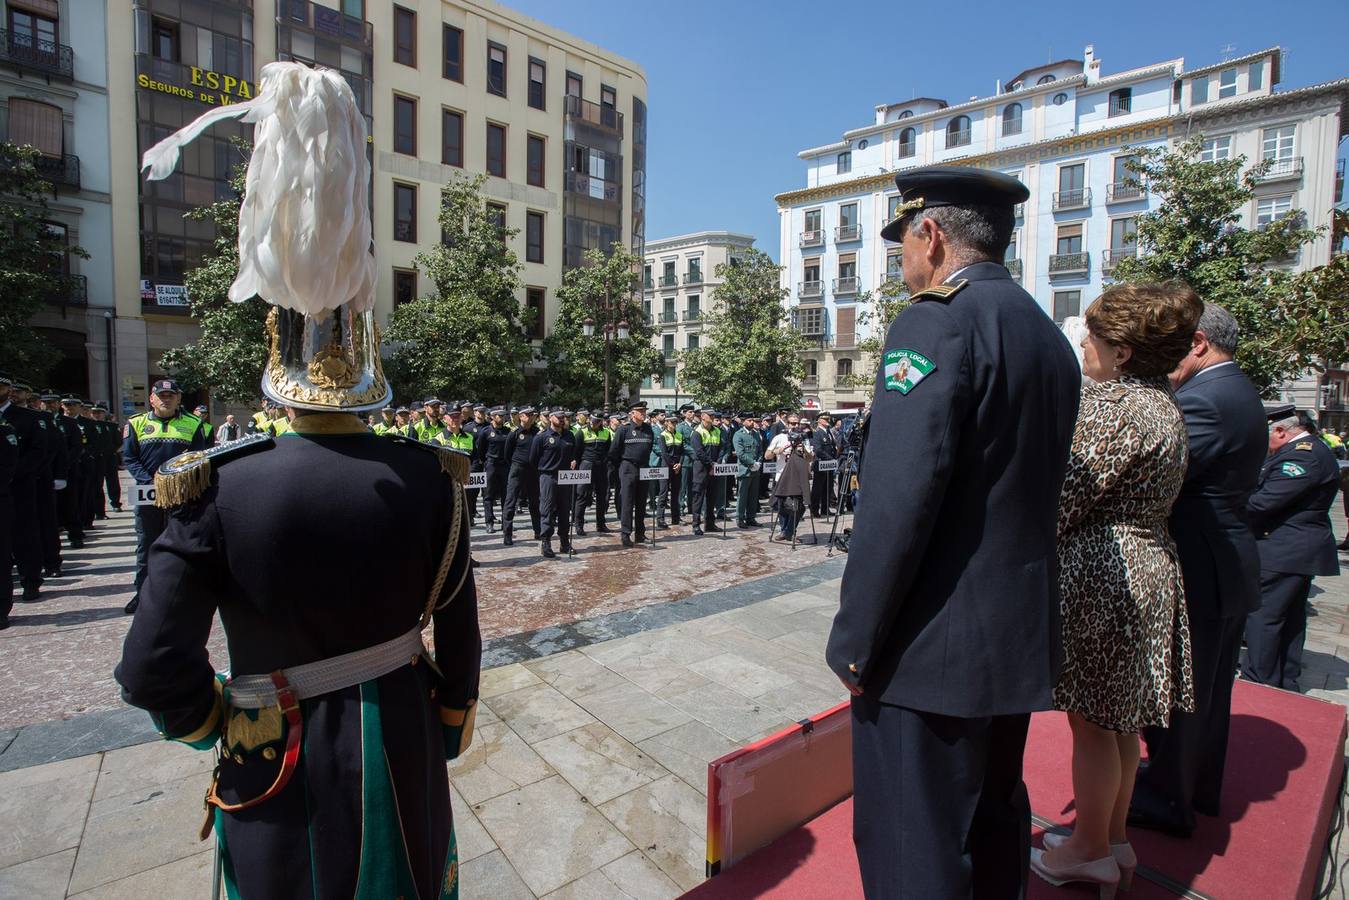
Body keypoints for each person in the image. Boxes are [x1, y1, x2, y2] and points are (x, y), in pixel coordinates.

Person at [119, 62, 479, 899]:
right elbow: (457, 648)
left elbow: (151, 668)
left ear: (271, 360)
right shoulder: (429, 476)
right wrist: (444, 724)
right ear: (370, 361)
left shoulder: (213, 484)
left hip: (270, 756)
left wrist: (220, 721)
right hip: (401, 751)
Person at [825, 166, 1080, 898]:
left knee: (914, 843)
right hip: (1011, 635)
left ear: (929, 235)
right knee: (993, 821)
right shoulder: (1042, 330)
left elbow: (899, 500)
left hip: (928, 647)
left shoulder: (934, 320)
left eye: (902, 242)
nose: (901, 261)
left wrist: (855, 638)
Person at [1033, 283, 1201, 893]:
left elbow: (1060, 501)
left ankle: (1087, 846)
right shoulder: (1162, 402)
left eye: (1094, 337)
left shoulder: (1111, 407)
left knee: (1093, 723)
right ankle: (1114, 836)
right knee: (1119, 721)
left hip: (1107, 571)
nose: (1083, 343)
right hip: (1146, 562)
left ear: (1123, 352)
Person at [1128, 303, 1268, 838]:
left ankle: (1169, 797)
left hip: (1202, 566)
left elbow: (1159, 472)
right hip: (1220, 562)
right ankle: (1191, 784)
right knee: (1206, 690)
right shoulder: (1233, 389)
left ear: (1200, 342)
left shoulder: (1205, 399)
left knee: (1186, 691)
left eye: (1172, 348)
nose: (1165, 362)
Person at [1240, 407, 1342, 691]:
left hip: (1283, 549)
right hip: (1293, 549)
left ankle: (1260, 680)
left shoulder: (1303, 455)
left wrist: (1224, 506)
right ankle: (1284, 678)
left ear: (1281, 431)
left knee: (1265, 617)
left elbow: (1264, 503)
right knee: (1288, 619)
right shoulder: (1310, 451)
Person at [122, 379, 207, 615]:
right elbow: (130, 458)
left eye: (171, 395)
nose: (166, 399)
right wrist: (150, 481)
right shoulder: (136, 423)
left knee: (179, 542)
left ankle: (177, 593)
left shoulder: (193, 423)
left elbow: (199, 456)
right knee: (146, 544)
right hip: (148, 494)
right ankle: (142, 594)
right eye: (161, 395)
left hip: (180, 493)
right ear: (152, 398)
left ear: (178, 398)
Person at [1, 378, 52, 603]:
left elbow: (39, 452)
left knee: (24, 534)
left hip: (19, 486)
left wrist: (10, 475)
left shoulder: (30, 418)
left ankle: (30, 581)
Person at [531, 408, 576, 558]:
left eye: (563, 417)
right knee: (547, 509)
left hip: (565, 476)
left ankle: (564, 542)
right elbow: (533, 459)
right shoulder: (542, 437)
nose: (562, 419)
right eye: (558, 417)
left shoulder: (569, 436)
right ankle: (546, 542)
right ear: (550, 418)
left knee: (564, 510)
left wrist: (574, 461)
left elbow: (574, 454)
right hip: (548, 476)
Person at [611, 401, 655, 547]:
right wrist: (622, 466)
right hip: (628, 467)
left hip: (644, 468)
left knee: (641, 502)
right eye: (640, 411)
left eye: (644, 411)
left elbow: (649, 448)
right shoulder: (624, 429)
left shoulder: (648, 429)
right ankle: (625, 533)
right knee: (627, 502)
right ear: (632, 413)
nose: (643, 413)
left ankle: (640, 534)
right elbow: (614, 451)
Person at [766, 418, 812, 540]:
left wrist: (804, 451)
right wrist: (779, 450)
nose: (795, 425)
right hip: (781, 476)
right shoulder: (779, 438)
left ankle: (790, 531)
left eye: (797, 423)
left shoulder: (803, 438)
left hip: (797, 479)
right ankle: (783, 530)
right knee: (783, 506)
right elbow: (767, 455)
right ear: (787, 424)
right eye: (792, 423)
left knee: (799, 507)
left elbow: (810, 458)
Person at [503, 406, 541, 546]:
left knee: (535, 502)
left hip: (532, 470)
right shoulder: (514, 433)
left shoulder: (537, 432)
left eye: (532, 415)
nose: (531, 417)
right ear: (521, 416)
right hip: (517, 469)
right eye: (528, 415)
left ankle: (538, 531)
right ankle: (507, 533)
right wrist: (515, 464)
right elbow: (507, 454)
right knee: (510, 501)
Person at [572, 410, 613, 535]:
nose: (595, 423)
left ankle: (601, 524)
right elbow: (576, 451)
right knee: (582, 496)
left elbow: (608, 449)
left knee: (602, 496)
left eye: (598, 421)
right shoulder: (582, 432)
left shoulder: (606, 432)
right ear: (590, 419)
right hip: (586, 464)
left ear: (601, 421)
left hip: (601, 466)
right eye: (593, 420)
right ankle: (579, 524)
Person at [689, 408, 723, 536]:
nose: (713, 416)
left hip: (714, 468)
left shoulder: (717, 431)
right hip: (701, 468)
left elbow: (721, 448)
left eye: (713, 415)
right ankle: (696, 525)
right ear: (703, 417)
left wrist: (717, 463)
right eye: (710, 415)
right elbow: (699, 452)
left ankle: (710, 524)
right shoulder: (697, 432)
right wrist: (711, 464)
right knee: (698, 497)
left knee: (712, 497)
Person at [478, 406, 511, 532]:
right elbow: (481, 450)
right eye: (499, 415)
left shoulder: (508, 432)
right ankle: (489, 522)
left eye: (503, 416)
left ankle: (505, 522)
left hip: (504, 465)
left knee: (505, 495)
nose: (501, 418)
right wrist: (485, 462)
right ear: (492, 416)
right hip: (491, 464)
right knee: (488, 495)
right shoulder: (486, 431)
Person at [810, 412, 839, 518]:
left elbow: (832, 447)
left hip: (830, 464)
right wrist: (830, 459)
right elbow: (818, 449)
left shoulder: (828, 432)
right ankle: (814, 509)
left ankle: (825, 509)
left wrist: (834, 457)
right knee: (818, 488)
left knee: (828, 487)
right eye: (825, 420)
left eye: (828, 419)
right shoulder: (817, 433)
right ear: (819, 421)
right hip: (821, 464)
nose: (828, 421)